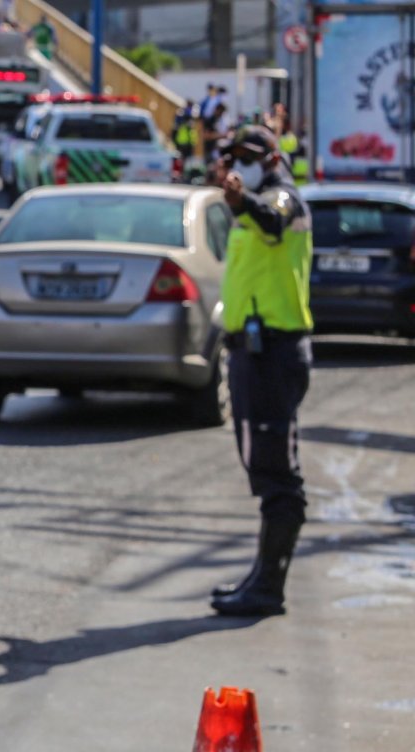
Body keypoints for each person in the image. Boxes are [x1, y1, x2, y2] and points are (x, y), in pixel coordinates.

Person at [208, 125, 314, 618]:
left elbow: (273, 219)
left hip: (274, 352)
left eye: (246, 156)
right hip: (252, 353)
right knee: (261, 465)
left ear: (272, 158)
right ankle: (260, 577)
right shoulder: (248, 205)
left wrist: (243, 199)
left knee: (277, 475)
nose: (237, 164)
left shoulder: (285, 200)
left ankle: (269, 588)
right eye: (230, 158)